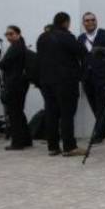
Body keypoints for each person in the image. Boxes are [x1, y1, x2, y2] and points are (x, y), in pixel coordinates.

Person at [36, 12, 84, 157]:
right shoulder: (66, 36)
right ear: (66, 23)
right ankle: (69, 147)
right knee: (67, 114)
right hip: (65, 82)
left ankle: (53, 146)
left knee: (51, 113)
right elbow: (81, 51)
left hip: (46, 81)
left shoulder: (42, 37)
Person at [78, 12, 105, 143]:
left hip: (102, 77)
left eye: (92, 20)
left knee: (101, 105)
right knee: (94, 105)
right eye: (87, 20)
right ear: (83, 23)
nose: (90, 22)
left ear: (96, 21)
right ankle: (102, 131)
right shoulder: (80, 38)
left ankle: (98, 133)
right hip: (87, 77)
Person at [0, 25, 33, 151]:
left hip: (15, 84)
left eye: (11, 33)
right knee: (18, 112)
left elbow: (2, 63)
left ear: (18, 34)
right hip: (20, 83)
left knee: (14, 113)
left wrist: (1, 63)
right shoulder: (19, 46)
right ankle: (26, 139)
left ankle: (18, 142)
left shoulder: (16, 47)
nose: (9, 36)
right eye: (7, 34)